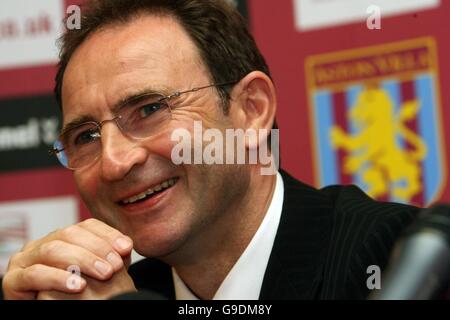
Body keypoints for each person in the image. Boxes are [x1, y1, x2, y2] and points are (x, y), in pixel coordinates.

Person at [1, 0, 418, 300]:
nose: (113, 162)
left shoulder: (400, 262)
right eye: (86, 137)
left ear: (251, 111)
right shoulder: (116, 290)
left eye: (149, 109)